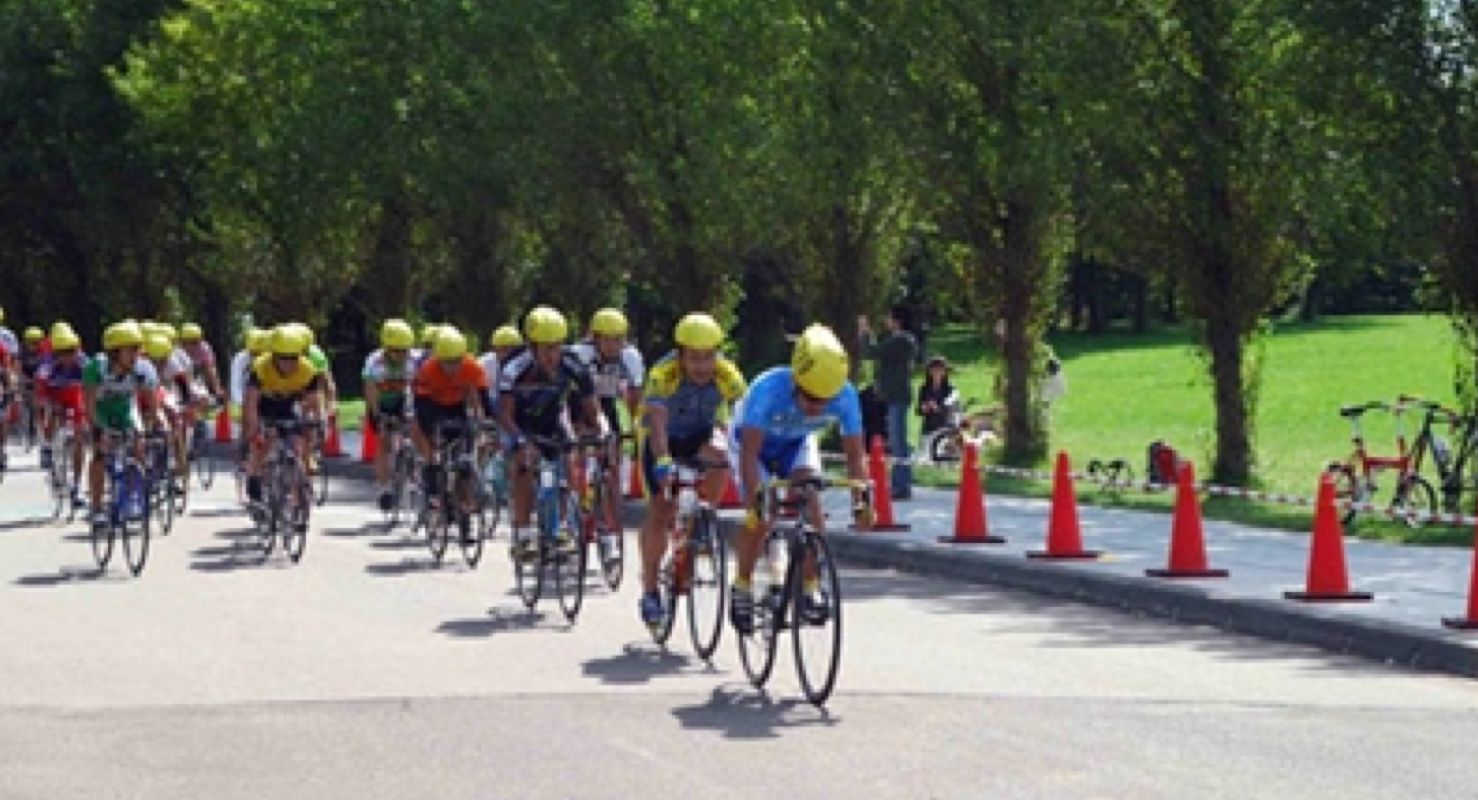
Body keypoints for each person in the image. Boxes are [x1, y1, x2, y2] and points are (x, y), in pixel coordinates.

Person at [728, 324, 870, 635]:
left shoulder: (846, 396)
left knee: (812, 501)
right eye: (810, 397)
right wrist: (756, 501)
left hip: (796, 443)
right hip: (753, 447)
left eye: (825, 400)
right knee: (762, 516)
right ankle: (742, 584)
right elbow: (749, 454)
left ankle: (810, 586)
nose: (818, 406)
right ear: (795, 379)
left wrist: (861, 501)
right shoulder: (767, 389)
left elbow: (855, 457)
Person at [635, 312, 747, 627]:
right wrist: (662, 460)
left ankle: (700, 522)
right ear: (681, 354)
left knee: (721, 453)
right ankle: (650, 591)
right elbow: (656, 422)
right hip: (663, 439)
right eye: (694, 358)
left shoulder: (728, 375)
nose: (702, 366)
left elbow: (744, 420)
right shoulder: (663, 374)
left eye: (709, 357)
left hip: (699, 436)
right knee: (660, 508)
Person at [497, 306, 602, 556]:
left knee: (568, 461)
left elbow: (592, 409)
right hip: (519, 422)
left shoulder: (572, 363)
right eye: (546, 348)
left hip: (552, 419)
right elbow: (504, 413)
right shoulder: (514, 366)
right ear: (532, 346)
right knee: (524, 464)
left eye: (556, 347)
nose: (552, 355)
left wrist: (602, 432)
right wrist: (520, 440)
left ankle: (562, 526)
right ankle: (523, 534)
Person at [84, 321, 161, 530]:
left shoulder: (144, 369)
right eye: (131, 349)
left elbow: (152, 405)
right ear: (114, 352)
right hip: (101, 410)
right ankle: (97, 507)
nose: (136, 354)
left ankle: (135, 494)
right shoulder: (96, 367)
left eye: (138, 349)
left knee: (138, 445)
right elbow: (89, 405)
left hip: (126, 409)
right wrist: (98, 430)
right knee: (99, 453)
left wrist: (151, 428)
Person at [241, 325, 323, 515]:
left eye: (293, 357)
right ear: (273, 355)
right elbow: (251, 402)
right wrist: (253, 429)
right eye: (283, 358)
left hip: (288, 404)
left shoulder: (307, 369)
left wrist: (316, 421)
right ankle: (255, 476)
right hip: (264, 404)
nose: (289, 363)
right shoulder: (260, 367)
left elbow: (313, 401)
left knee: (296, 443)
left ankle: (297, 497)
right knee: (263, 442)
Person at [410, 328, 493, 512]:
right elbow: (421, 405)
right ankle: (433, 490)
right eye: (446, 362)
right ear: (438, 358)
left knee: (465, 452)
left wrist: (486, 421)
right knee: (433, 451)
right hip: (432, 405)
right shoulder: (428, 369)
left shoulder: (472, 366)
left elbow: (483, 397)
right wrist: (431, 431)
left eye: (456, 361)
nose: (452, 367)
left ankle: (463, 503)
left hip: (456, 406)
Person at [858, 306, 918, 499]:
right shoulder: (901, 341)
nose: (887, 321)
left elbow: (872, 352)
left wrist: (865, 332)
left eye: (890, 318)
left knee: (898, 441)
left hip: (897, 397)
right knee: (896, 439)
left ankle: (901, 485)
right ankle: (900, 482)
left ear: (897, 321)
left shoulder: (901, 340)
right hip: (893, 396)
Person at [363, 318, 417, 510]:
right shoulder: (375, 361)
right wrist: (377, 415)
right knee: (384, 443)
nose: (401, 354)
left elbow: (419, 388)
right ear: (386, 348)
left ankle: (413, 469)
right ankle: (384, 487)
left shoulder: (414, 360)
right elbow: (370, 390)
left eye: (405, 350)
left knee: (416, 431)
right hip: (381, 404)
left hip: (403, 401)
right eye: (396, 350)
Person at [36, 322, 89, 503]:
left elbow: (91, 386)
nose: (68, 356)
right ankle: (47, 446)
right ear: (55, 352)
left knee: (79, 437)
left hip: (74, 396)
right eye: (63, 352)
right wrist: (45, 402)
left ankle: (77, 484)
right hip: (55, 394)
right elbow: (41, 389)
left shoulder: (83, 361)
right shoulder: (47, 364)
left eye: (71, 351)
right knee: (50, 412)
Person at [916, 355, 959, 439]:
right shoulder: (924, 388)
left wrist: (937, 408)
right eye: (933, 370)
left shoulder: (950, 389)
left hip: (944, 428)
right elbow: (918, 411)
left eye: (940, 370)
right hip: (928, 428)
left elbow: (953, 410)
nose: (936, 373)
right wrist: (924, 408)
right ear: (929, 372)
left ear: (945, 372)